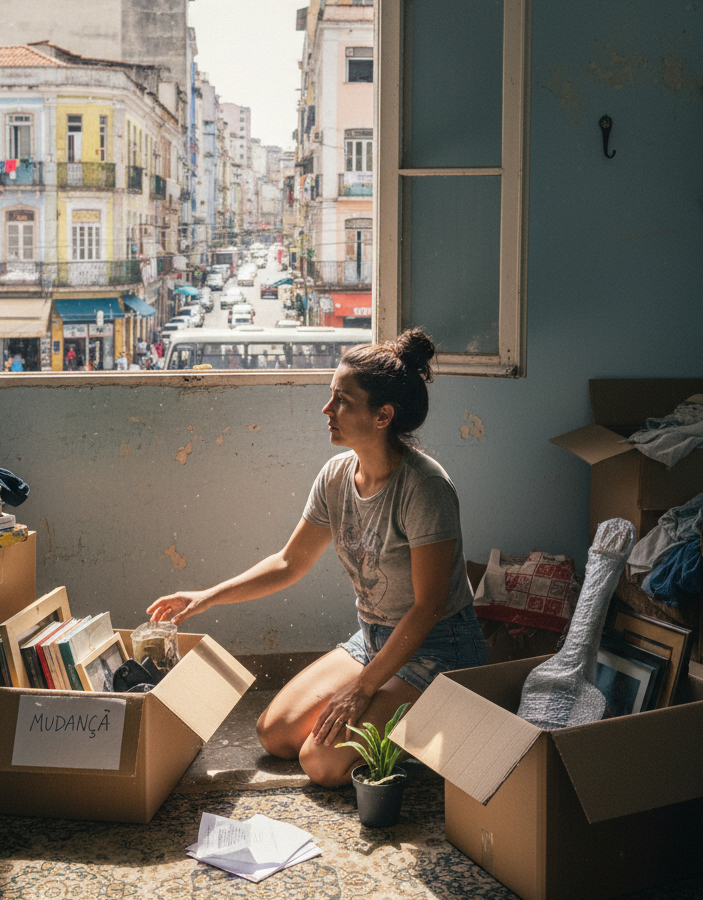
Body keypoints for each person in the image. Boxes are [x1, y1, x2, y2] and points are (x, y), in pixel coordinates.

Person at [147, 328, 486, 786]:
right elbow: (289, 563)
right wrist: (205, 597)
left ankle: (444, 725)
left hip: (439, 648)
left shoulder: (425, 487)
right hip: (375, 640)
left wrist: (361, 689)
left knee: (321, 763)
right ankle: (394, 710)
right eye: (331, 396)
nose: (327, 410)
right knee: (275, 733)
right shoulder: (336, 476)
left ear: (383, 415)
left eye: (342, 400)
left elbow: (428, 608)